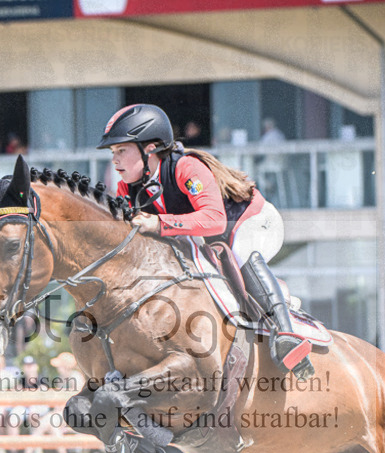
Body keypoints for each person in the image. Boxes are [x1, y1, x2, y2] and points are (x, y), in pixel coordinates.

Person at [97, 103, 313, 379]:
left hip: (251, 223)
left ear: (149, 148)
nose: (114, 160)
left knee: (238, 255)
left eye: (121, 151)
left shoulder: (186, 167)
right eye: (113, 153)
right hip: (207, 238)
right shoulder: (128, 186)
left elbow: (215, 220)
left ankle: (286, 335)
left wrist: (160, 223)